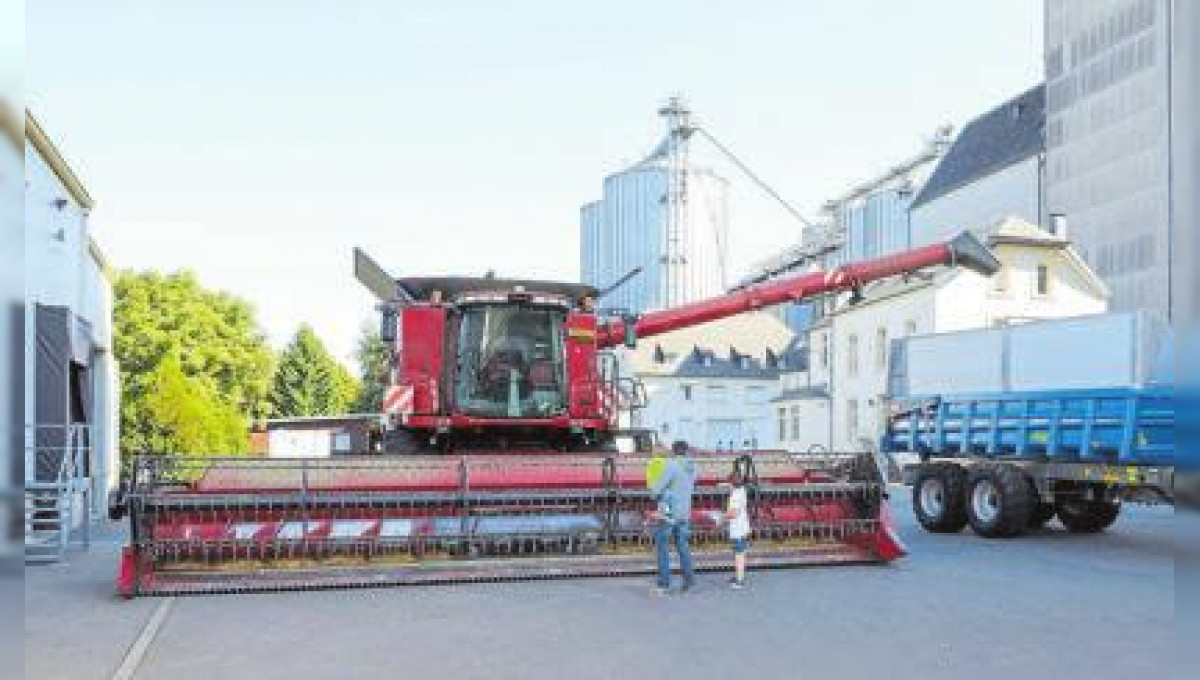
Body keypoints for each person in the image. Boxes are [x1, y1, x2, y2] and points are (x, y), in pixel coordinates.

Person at [650, 440, 697, 595]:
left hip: (669, 513)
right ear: (686, 451)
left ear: (673, 451)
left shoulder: (671, 465)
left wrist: (654, 493)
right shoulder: (692, 466)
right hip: (684, 512)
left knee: (663, 547)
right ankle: (689, 583)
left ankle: (664, 584)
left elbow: (657, 488)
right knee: (682, 546)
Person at [725, 470, 751, 589]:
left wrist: (720, 517)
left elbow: (732, 514)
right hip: (744, 527)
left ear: (732, 482)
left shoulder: (735, 495)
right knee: (742, 553)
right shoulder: (742, 491)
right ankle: (739, 576)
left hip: (738, 529)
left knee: (738, 554)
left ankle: (739, 581)